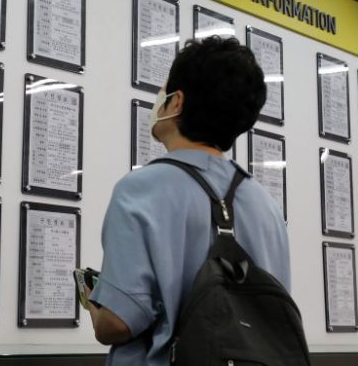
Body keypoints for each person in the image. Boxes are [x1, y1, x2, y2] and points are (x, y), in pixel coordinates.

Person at [86, 36, 291, 365]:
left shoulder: (140, 189)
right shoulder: (265, 205)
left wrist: (94, 303)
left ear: (176, 102)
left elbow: (119, 322)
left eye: (163, 93)